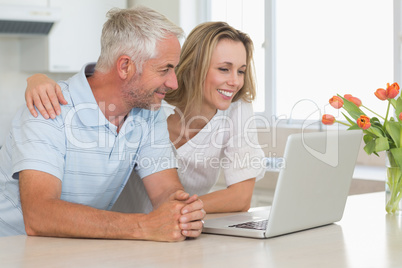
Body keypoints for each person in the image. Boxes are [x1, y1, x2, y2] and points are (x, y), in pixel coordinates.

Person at [0, 6, 205, 241]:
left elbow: (166, 191)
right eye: (165, 69)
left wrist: (183, 212)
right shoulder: (49, 107)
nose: (173, 83)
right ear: (125, 66)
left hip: (76, 250)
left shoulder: (149, 112)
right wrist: (144, 225)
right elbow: (39, 215)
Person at [25, 21, 266, 214]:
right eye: (224, 69)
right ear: (194, 67)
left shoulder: (236, 106)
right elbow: (102, 84)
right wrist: (37, 78)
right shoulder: (150, 100)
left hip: (167, 227)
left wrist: (182, 211)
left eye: (241, 71)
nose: (235, 81)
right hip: (119, 224)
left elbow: (240, 195)